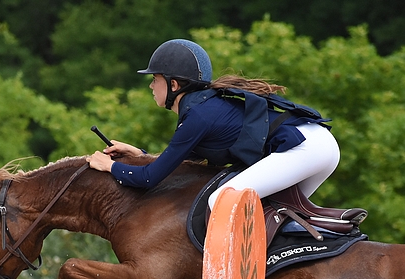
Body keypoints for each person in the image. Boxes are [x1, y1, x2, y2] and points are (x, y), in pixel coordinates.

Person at [86, 39, 341, 210]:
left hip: (305, 149)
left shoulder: (198, 115)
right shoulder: (204, 108)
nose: (152, 86)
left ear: (174, 85)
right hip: (318, 145)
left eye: (155, 79)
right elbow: (175, 165)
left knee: (221, 200)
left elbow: (150, 179)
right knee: (272, 210)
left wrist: (109, 166)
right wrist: (139, 154)